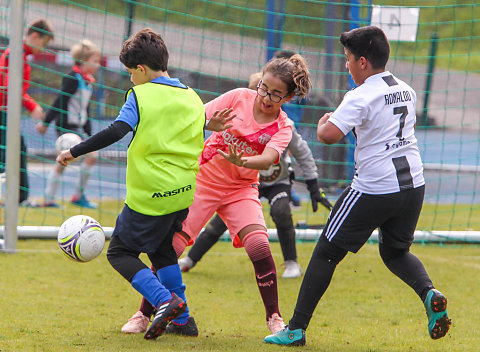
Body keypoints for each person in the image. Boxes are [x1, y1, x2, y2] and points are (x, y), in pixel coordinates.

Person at [264, 26, 451, 346]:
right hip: (413, 186)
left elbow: (328, 136)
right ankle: (429, 293)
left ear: (363, 62)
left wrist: (325, 120)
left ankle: (295, 329)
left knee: (325, 252)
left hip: (373, 188)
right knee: (395, 252)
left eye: (348, 59)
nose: (345, 65)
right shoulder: (406, 89)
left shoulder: (360, 95)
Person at [56, 28, 232, 341]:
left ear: (141, 69)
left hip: (150, 194)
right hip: (183, 193)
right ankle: (184, 320)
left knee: (120, 253)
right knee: (163, 252)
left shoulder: (140, 94)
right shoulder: (192, 96)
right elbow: (194, 125)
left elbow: (117, 130)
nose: (130, 80)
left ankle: (167, 301)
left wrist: (74, 150)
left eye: (129, 73)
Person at [121, 53, 312, 337]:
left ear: (288, 96)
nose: (266, 97)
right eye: (263, 88)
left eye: (276, 94)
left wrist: (243, 162)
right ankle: (143, 314)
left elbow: (270, 158)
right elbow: (194, 117)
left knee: (259, 246)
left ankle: (274, 318)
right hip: (203, 180)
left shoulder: (283, 126)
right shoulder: (237, 98)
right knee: (170, 249)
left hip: (241, 189)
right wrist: (207, 125)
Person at [176, 73, 333, 279]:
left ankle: (291, 263)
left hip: (276, 181)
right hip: (241, 181)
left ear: (283, 99)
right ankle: (190, 259)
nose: (262, 100)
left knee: (281, 211)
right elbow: (202, 120)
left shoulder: (284, 128)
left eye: (273, 95)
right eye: (259, 92)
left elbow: (303, 153)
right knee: (218, 223)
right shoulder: (238, 108)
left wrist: (313, 186)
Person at [36, 39, 101, 208]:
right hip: (66, 127)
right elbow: (60, 100)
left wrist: (90, 134)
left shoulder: (88, 82)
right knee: (89, 156)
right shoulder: (72, 78)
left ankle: (54, 198)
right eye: (95, 61)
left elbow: (85, 110)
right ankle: (69, 197)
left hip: (77, 127)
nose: (98, 65)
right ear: (83, 61)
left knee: (65, 160)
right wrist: (45, 122)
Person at [0, 19, 54, 207]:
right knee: (14, 152)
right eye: (44, 43)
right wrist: (32, 106)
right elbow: (8, 87)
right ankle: (20, 199)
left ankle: (20, 198)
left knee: (16, 151)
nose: (44, 48)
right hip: (3, 113)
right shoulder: (14, 54)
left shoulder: (19, 55)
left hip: (7, 113)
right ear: (34, 36)